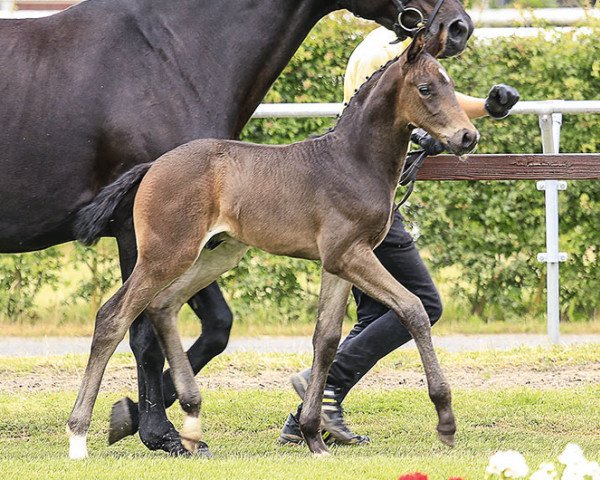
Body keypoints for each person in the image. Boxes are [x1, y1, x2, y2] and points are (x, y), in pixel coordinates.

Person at [278, 27, 520, 446]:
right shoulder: (387, 53)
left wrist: (483, 107)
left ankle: (308, 415)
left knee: (375, 315)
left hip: (363, 190)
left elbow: (435, 98)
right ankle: (321, 384)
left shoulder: (394, 49)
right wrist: (444, 128)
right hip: (361, 198)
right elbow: (410, 100)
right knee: (423, 301)